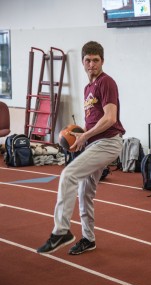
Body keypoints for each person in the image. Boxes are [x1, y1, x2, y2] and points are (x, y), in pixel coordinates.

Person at [37, 41, 125, 255]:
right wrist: (80, 137)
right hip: (95, 142)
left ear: (102, 61)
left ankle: (61, 231)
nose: (92, 64)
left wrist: (85, 135)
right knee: (84, 192)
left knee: (68, 174)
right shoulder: (88, 88)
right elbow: (93, 122)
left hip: (109, 142)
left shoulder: (106, 82)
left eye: (96, 60)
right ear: (82, 62)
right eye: (88, 60)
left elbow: (110, 118)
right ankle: (88, 238)